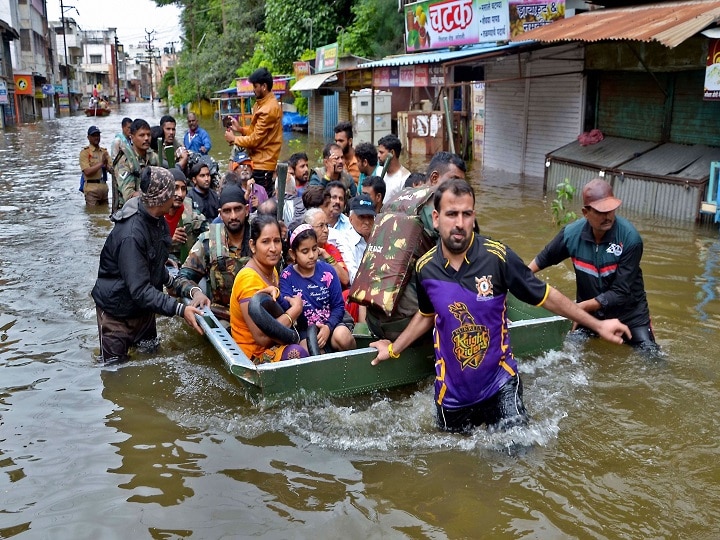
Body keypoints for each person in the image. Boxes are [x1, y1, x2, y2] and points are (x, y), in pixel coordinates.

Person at [371, 179, 630, 434]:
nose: (459, 223)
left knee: (518, 453)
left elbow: (545, 295)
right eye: (452, 214)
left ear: (474, 216)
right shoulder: (425, 268)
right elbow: (426, 315)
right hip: (451, 396)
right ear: (436, 219)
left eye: (466, 214)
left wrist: (597, 324)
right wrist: (394, 349)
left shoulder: (497, 257)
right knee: (455, 466)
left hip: (500, 385)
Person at [91, 166, 207, 363]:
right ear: (162, 198)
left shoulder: (156, 219)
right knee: (116, 375)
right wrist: (180, 310)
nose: (178, 197)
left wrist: (184, 288)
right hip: (116, 315)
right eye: (173, 192)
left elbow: (155, 266)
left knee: (151, 362)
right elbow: (140, 290)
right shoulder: (132, 235)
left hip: (143, 312)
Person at [528, 178, 657, 350]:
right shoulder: (571, 235)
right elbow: (543, 259)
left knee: (652, 357)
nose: (608, 216)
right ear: (585, 212)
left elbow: (620, 292)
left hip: (630, 314)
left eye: (611, 210)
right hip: (589, 315)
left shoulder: (629, 239)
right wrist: (518, 279)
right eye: (601, 211)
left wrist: (575, 309)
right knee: (567, 353)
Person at [229, 215, 308, 364]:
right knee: (297, 352)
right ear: (252, 245)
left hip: (277, 343)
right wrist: (295, 310)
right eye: (265, 242)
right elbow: (262, 338)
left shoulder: (272, 271)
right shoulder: (248, 279)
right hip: (253, 356)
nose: (273, 248)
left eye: (277, 241)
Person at [178, 184, 252, 315]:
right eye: (227, 211)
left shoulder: (261, 237)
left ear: (246, 210)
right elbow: (182, 277)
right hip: (224, 315)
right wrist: (196, 293)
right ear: (220, 214)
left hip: (258, 313)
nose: (233, 216)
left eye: (238, 209)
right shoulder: (208, 241)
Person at [280, 224, 355, 353]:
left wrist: (328, 327)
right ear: (293, 254)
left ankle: (354, 366)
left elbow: (338, 306)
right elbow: (286, 306)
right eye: (305, 251)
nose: (311, 255)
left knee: (342, 336)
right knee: (305, 349)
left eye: (314, 249)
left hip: (332, 325)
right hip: (305, 331)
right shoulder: (287, 276)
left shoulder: (328, 271)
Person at [224, 68, 283, 197]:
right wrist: (240, 129)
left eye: (255, 86)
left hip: (264, 164)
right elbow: (254, 132)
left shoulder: (268, 109)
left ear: (264, 86)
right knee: (255, 198)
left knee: (261, 200)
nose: (253, 89)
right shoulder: (261, 104)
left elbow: (255, 140)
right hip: (257, 161)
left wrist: (234, 139)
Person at [164, 167, 207, 265]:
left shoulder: (192, 215)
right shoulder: (155, 216)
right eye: (175, 188)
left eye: (183, 189)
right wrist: (168, 239)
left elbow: (211, 236)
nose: (180, 194)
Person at [115, 119, 160, 209]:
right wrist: (154, 196)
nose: (146, 138)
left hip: (150, 208)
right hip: (130, 211)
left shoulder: (153, 156)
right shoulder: (125, 160)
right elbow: (129, 195)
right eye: (142, 135)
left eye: (148, 135)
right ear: (132, 137)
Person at [304, 207, 350, 288]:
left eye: (327, 225)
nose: (326, 230)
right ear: (309, 228)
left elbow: (345, 279)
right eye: (321, 225)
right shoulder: (301, 250)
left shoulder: (330, 249)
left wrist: (325, 255)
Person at [79, 125, 112, 206]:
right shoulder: (85, 152)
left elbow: (112, 169)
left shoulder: (104, 152)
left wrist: (106, 165)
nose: (96, 137)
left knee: (105, 214)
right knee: (93, 215)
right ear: (88, 137)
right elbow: (87, 171)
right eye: (93, 135)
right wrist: (101, 163)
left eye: (98, 135)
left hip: (104, 188)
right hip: (91, 190)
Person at [377, 134, 411, 200]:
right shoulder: (379, 171)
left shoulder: (405, 178)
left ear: (392, 153)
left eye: (381, 152)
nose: (378, 155)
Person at [334, 121, 360, 186]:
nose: (337, 144)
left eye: (341, 141)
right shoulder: (334, 160)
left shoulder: (360, 160)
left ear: (350, 141)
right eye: (336, 141)